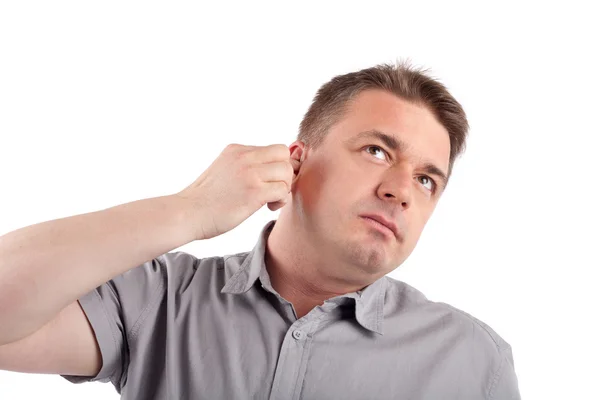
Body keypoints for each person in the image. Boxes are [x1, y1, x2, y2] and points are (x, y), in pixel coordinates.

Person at [0, 61, 521, 399]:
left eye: (427, 180)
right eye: (377, 151)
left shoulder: (475, 363)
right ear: (297, 161)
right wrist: (192, 211)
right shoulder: (158, 301)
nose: (402, 191)